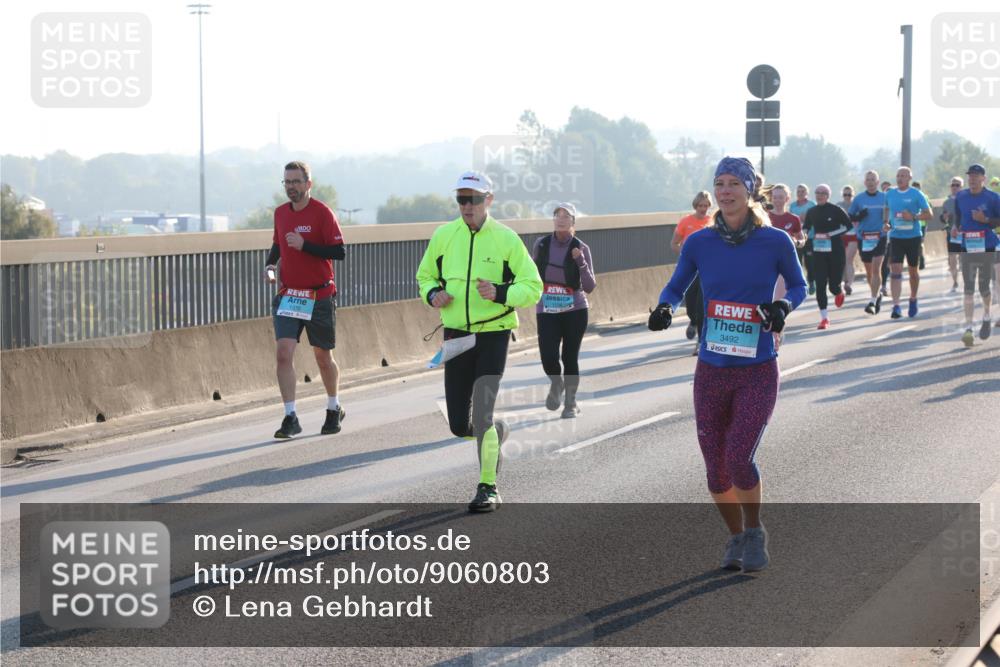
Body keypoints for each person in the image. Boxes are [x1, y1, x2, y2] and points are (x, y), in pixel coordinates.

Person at [649, 157, 806, 573]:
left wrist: (782, 307)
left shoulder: (775, 241)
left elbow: (799, 285)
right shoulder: (699, 242)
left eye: (734, 183)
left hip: (757, 368)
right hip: (711, 369)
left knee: (739, 456)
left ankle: (754, 531)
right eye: (719, 183)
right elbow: (677, 284)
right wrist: (665, 307)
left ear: (750, 189)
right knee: (715, 470)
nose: (725, 190)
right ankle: (735, 536)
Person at [416, 171, 542, 512]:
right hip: (457, 335)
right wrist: (433, 293)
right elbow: (424, 275)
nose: (466, 206)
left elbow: (533, 286)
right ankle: (495, 432)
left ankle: (488, 487)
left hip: (493, 333)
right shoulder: (444, 235)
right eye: (461, 199)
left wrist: (501, 293)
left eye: (473, 199)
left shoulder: (506, 239)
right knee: (460, 425)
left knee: (483, 412)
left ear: (489, 199)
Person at [264, 161, 347, 439]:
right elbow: (278, 244)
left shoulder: (322, 212)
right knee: (283, 353)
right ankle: (290, 417)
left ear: (308, 184)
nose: (291, 187)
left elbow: (339, 252)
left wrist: (305, 245)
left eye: (296, 182)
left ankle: (334, 407)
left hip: (319, 295)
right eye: (287, 182)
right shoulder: (280, 213)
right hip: (290, 295)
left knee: (323, 357)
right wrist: (270, 265)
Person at [533, 202, 597, 418]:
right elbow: (533, 275)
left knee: (569, 357)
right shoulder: (541, 244)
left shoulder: (582, 248)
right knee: (548, 357)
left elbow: (589, 286)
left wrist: (580, 262)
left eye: (566, 216)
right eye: (557, 216)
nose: (561, 219)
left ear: (573, 222)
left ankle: (570, 402)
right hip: (547, 309)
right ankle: (557, 382)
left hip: (575, 310)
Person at [955, 164, 1000, 346]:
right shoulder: (961, 196)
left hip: (987, 246)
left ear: (983, 178)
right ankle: (968, 328)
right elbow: (958, 216)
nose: (972, 179)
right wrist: (955, 227)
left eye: (976, 176)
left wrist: (985, 219)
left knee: (983, 287)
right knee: (968, 287)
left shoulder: (993, 198)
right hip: (967, 246)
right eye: (970, 176)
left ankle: (987, 316)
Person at [882, 166, 933, 319]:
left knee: (913, 272)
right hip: (896, 237)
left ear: (910, 178)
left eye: (903, 176)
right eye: (898, 175)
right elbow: (886, 209)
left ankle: (913, 298)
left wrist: (913, 217)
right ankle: (896, 306)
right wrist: (886, 223)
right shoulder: (890, 194)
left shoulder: (916, 194)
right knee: (895, 270)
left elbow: (929, 214)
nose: (900, 178)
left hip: (913, 237)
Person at [672, 191, 714, 354]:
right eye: (700, 206)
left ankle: (700, 342)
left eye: (706, 206)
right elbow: (674, 243)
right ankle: (693, 321)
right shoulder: (686, 222)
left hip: (706, 268)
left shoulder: (712, 221)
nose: (703, 209)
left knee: (702, 305)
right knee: (690, 303)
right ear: (695, 206)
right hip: (690, 267)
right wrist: (686, 254)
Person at [803, 184, 851, 329]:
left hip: (835, 251)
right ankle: (824, 318)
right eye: (817, 192)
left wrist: (831, 234)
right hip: (818, 251)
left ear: (828, 195)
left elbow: (848, 226)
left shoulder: (836, 210)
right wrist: (803, 236)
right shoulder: (812, 211)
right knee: (820, 284)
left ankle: (839, 292)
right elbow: (806, 228)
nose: (820, 195)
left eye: (823, 193)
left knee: (833, 286)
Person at [849, 170, 888, 314]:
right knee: (869, 271)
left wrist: (888, 224)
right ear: (865, 182)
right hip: (864, 238)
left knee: (877, 268)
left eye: (873, 180)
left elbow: (890, 215)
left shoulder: (885, 197)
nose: (871, 182)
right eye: (868, 180)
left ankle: (872, 300)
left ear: (877, 182)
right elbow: (850, 217)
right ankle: (876, 295)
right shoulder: (859, 199)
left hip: (880, 237)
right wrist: (859, 215)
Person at [767, 183, 805, 301]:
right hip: (766, 259)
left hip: (784, 261)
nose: (777, 200)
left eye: (780, 197)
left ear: (787, 199)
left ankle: (778, 310)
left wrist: (797, 242)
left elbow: (801, 239)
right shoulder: (765, 217)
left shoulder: (793, 219)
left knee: (778, 297)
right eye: (775, 197)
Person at [789, 184, 816, 295]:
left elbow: (816, 218)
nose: (800, 193)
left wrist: (807, 218)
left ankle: (811, 282)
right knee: (798, 262)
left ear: (807, 193)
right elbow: (791, 220)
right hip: (797, 238)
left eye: (803, 191)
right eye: (798, 191)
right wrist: (799, 218)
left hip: (810, 237)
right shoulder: (792, 206)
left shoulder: (811, 204)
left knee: (810, 262)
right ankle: (800, 283)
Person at [942, 177, 965, 293]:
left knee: (964, 258)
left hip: (965, 233)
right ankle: (955, 282)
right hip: (952, 234)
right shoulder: (946, 202)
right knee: (952, 258)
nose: (955, 187)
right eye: (953, 185)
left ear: (962, 187)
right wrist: (944, 217)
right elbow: (942, 218)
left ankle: (967, 282)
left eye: (957, 185)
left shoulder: (967, 199)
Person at [837, 186, 859, 295]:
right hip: (841, 235)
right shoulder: (838, 205)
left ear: (853, 195)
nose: (847, 197)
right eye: (845, 194)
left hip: (853, 235)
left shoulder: (856, 205)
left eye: (849, 194)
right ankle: (844, 281)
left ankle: (849, 284)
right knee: (841, 260)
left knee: (848, 260)